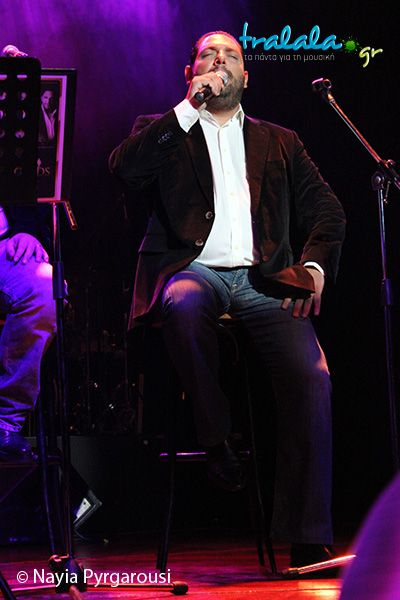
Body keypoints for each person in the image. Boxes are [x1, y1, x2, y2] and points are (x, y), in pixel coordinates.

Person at [109, 30, 346, 568]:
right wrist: (188, 108)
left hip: (264, 282)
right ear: (190, 73)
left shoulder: (279, 141)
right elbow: (124, 169)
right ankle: (216, 438)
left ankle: (308, 536)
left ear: (246, 76)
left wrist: (313, 268)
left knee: (312, 377)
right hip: (194, 271)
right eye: (207, 55)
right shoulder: (163, 129)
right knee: (183, 302)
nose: (219, 60)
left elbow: (328, 209)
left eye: (231, 55)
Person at [0, 204, 56, 462]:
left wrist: (27, 230)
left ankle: (4, 422)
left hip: (4, 242)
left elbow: (29, 190)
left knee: (44, 287)